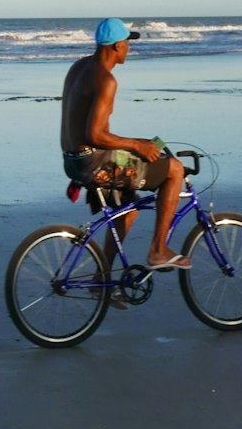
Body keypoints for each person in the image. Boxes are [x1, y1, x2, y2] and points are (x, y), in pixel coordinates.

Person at [60, 18, 190, 271]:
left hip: (74, 161)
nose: (129, 48)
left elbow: (86, 130)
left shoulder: (79, 67)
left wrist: (139, 143)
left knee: (128, 209)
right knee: (174, 169)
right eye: (128, 42)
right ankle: (158, 250)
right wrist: (136, 147)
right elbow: (95, 134)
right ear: (117, 45)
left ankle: (102, 280)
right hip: (94, 163)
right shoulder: (106, 80)